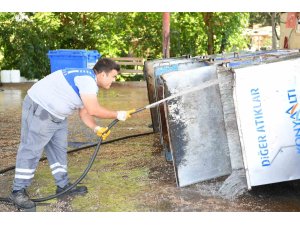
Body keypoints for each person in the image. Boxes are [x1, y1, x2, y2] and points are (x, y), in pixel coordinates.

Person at [9, 58, 135, 209]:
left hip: (58, 114)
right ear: (102, 74)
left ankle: (63, 186)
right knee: (31, 149)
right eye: (113, 76)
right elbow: (94, 109)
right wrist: (117, 114)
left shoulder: (89, 81)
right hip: (41, 108)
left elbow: (85, 112)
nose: (114, 80)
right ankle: (18, 191)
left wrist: (96, 128)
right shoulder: (87, 81)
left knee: (59, 150)